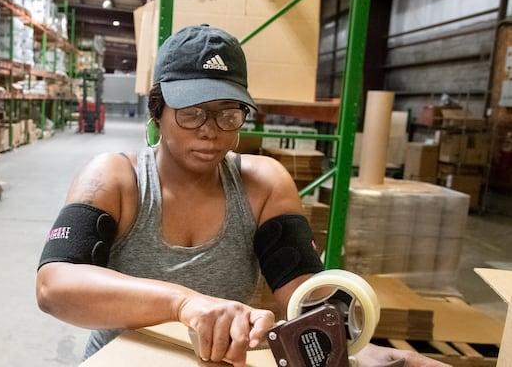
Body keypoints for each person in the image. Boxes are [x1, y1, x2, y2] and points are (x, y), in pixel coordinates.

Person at [35, 25, 447, 366]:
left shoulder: (263, 184)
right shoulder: (117, 179)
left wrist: (355, 351)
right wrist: (184, 304)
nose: (210, 130)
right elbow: (54, 286)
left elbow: (303, 294)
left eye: (228, 114)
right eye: (192, 112)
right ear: (157, 110)